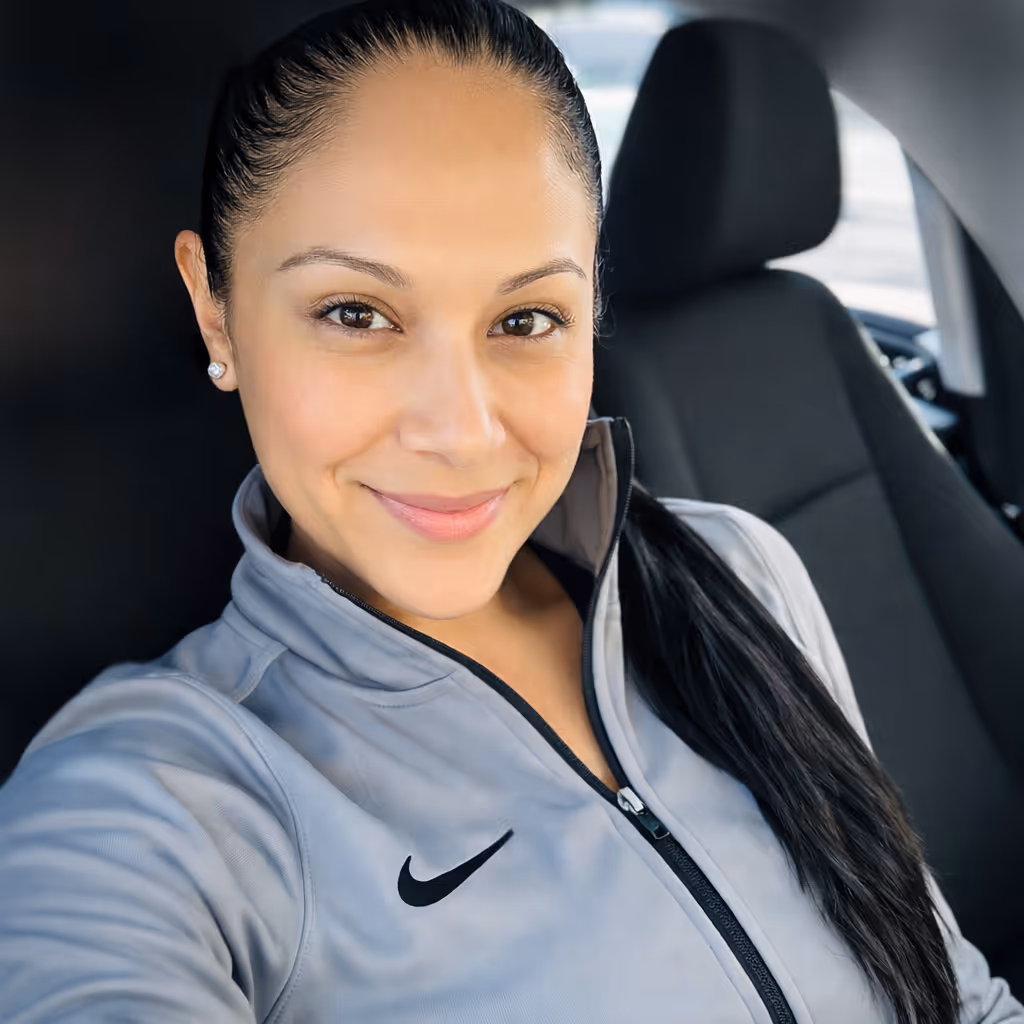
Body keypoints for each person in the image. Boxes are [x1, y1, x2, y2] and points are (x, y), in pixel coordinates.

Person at [0, 0, 1019, 1020]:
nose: (463, 430)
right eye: (356, 313)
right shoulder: (148, 802)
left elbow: (951, 991)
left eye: (525, 318)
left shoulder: (741, 572)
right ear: (213, 307)